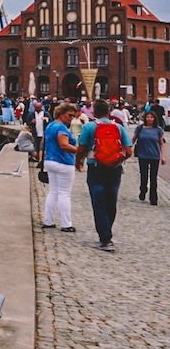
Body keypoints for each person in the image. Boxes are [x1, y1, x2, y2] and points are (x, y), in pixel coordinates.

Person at [77, 98, 134, 252]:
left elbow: (81, 148)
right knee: (111, 201)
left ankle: (105, 238)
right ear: (109, 111)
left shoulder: (89, 127)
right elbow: (129, 151)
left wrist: (78, 161)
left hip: (96, 167)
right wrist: (117, 160)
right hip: (115, 169)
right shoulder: (119, 127)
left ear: (94, 111)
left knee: (98, 203)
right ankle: (107, 231)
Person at [41, 102, 80, 232]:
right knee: (64, 194)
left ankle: (48, 221)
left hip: (50, 161)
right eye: (70, 115)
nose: (71, 118)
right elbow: (64, 145)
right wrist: (79, 151)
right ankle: (66, 224)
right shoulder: (62, 128)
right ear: (61, 114)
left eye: (73, 116)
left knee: (53, 192)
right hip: (63, 162)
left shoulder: (50, 125)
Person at [132, 110, 166, 206]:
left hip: (154, 156)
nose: (149, 119)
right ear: (145, 118)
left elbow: (161, 143)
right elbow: (133, 139)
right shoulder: (140, 128)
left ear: (154, 119)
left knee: (153, 178)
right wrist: (127, 149)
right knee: (144, 176)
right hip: (143, 155)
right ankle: (143, 190)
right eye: (148, 117)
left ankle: (153, 198)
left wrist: (163, 156)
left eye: (151, 117)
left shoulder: (158, 130)